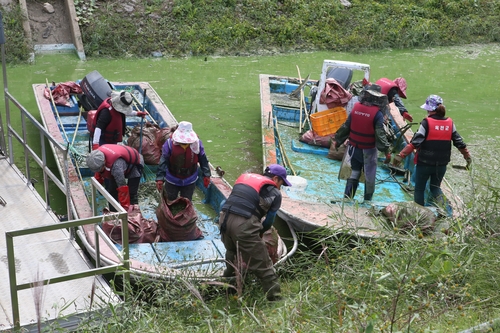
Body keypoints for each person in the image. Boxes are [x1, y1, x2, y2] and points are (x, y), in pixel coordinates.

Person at [218, 164, 292, 301]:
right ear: (276, 179)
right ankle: (276, 300)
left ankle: (227, 289)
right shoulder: (275, 193)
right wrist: (259, 233)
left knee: (232, 254)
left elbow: (225, 203)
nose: (280, 187)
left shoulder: (245, 181)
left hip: (224, 220)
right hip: (243, 225)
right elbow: (269, 221)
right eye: (281, 183)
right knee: (264, 266)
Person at [393, 95, 472, 206]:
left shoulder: (426, 123)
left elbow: (415, 143)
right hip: (441, 164)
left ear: (429, 109)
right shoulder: (450, 123)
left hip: (424, 163)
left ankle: (419, 213)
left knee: (419, 189)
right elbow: (459, 143)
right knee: (435, 188)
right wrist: (467, 157)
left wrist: (401, 155)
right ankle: (443, 210)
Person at [333, 84, 391, 202]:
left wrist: (338, 141)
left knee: (354, 171)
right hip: (368, 149)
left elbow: (346, 127)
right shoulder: (377, 114)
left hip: (354, 148)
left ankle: (347, 197)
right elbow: (380, 134)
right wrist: (386, 151)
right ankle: (367, 200)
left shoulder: (356, 107)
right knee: (370, 175)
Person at [155, 121, 211, 201]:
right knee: (170, 198)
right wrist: (160, 178)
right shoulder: (169, 144)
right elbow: (163, 161)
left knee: (186, 200)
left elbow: (203, 159)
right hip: (172, 177)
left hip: (190, 178)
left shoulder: (197, 144)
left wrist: (207, 174)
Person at [86, 144, 144, 211]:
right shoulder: (96, 156)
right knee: (112, 192)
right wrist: (97, 184)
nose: (97, 171)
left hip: (135, 164)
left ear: (104, 162)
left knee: (131, 193)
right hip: (119, 162)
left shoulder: (116, 168)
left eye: (99, 169)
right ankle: (113, 212)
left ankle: (133, 214)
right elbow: (98, 173)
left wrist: (124, 209)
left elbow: (122, 188)